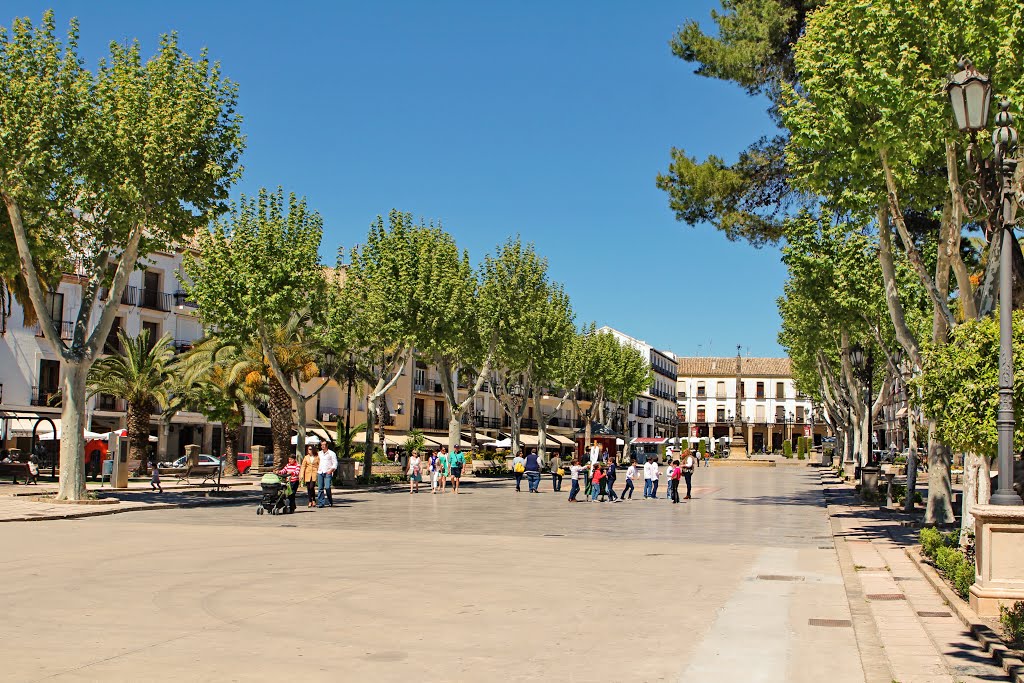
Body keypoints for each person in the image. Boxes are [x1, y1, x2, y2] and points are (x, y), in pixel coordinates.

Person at [317, 440, 337, 507]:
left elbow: (335, 463)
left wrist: (331, 470)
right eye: (321, 445)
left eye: (324, 444)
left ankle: (330, 500)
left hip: (328, 472)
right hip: (320, 472)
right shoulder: (319, 453)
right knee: (320, 488)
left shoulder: (331, 453)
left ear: (327, 445)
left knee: (327, 487)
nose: (322, 446)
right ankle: (321, 503)